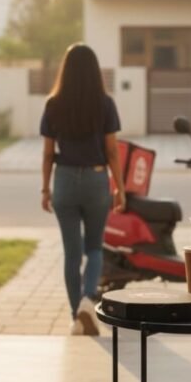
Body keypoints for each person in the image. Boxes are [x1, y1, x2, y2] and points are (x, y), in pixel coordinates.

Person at [40, 43, 126, 335]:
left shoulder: (53, 104)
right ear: (94, 71)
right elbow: (112, 151)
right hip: (96, 180)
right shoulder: (105, 103)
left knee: (71, 254)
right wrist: (121, 188)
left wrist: (44, 189)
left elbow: (48, 153)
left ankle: (76, 314)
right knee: (94, 248)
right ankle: (88, 301)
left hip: (63, 180)